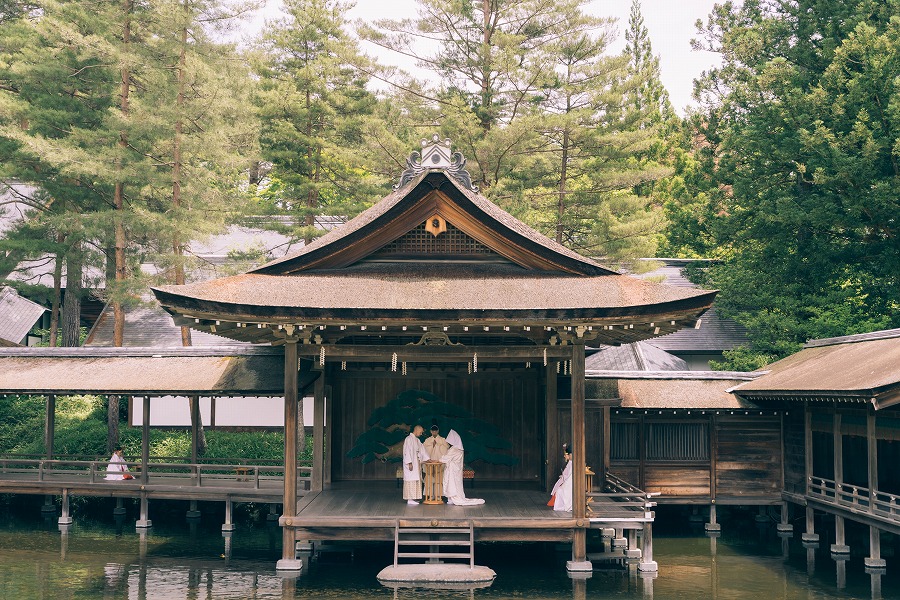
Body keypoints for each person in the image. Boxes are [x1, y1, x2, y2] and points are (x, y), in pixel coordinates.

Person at [440, 430, 484, 506]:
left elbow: (446, 458)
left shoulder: (454, 449)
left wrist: (439, 459)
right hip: (456, 470)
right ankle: (451, 498)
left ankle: (452, 498)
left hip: (452, 469)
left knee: (452, 484)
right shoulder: (459, 448)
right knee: (455, 484)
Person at [402, 424, 430, 505]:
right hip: (411, 463)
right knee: (411, 480)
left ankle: (413, 498)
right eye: (420, 432)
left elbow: (422, 450)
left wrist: (428, 459)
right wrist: (409, 462)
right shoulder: (409, 439)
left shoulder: (417, 440)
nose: (421, 434)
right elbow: (406, 451)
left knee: (416, 480)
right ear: (416, 430)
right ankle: (409, 499)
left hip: (416, 463)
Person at [550, 443, 573, 512]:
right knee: (560, 490)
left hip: (570, 482)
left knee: (560, 490)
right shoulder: (570, 463)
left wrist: (562, 478)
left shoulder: (571, 463)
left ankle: (566, 505)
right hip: (568, 481)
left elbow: (566, 475)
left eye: (567, 455)